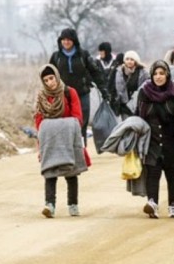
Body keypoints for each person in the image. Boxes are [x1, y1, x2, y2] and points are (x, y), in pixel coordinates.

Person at [137, 60, 174, 219]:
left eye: (162, 73)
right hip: (152, 140)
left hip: (172, 140)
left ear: (167, 75)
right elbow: (138, 117)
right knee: (153, 172)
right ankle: (153, 204)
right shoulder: (144, 92)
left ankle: (173, 205)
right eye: (155, 73)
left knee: (172, 173)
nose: (158, 76)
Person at [34, 64, 86, 218]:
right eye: (46, 80)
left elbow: (78, 117)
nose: (50, 82)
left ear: (57, 76)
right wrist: (41, 143)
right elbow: (39, 121)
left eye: (51, 78)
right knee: (50, 172)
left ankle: (73, 204)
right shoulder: (42, 97)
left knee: (71, 172)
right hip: (49, 139)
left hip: (68, 138)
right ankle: (50, 205)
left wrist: (61, 127)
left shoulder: (69, 92)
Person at [49, 28, 109, 149]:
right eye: (63, 39)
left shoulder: (83, 55)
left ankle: (82, 151)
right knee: (65, 122)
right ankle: (68, 151)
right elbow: (49, 75)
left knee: (81, 123)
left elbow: (95, 72)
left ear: (74, 40)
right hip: (63, 95)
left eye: (68, 39)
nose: (66, 42)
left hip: (82, 93)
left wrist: (103, 90)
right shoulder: (56, 57)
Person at [110, 50, 148, 119]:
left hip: (138, 104)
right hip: (124, 105)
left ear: (135, 61)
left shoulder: (143, 73)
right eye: (127, 59)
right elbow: (113, 87)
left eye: (131, 59)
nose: (129, 61)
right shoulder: (119, 72)